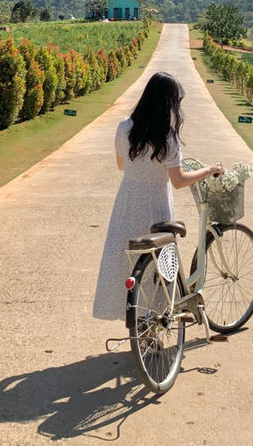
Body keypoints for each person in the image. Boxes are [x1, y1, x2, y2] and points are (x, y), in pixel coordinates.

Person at [92, 71, 222, 321]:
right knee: (159, 268)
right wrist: (208, 170)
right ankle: (153, 323)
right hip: (156, 206)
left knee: (126, 261)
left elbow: (122, 166)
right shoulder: (168, 137)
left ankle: (134, 319)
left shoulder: (125, 128)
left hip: (128, 202)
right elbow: (178, 181)